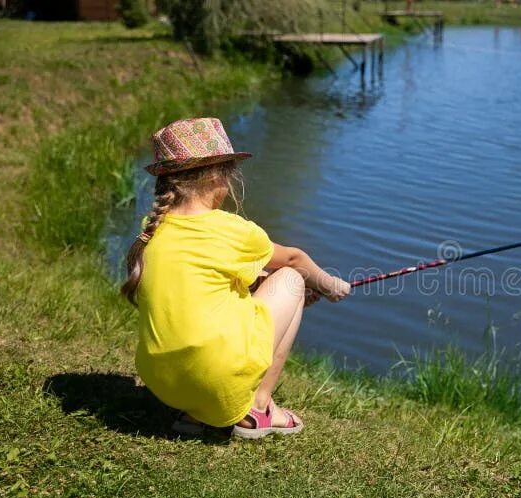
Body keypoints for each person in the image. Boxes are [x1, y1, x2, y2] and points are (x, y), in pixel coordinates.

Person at [121, 117, 350, 439]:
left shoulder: (153, 226)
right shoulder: (234, 230)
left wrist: (263, 283)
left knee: (274, 281)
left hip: (162, 382)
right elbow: (296, 260)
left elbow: (209, 281)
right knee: (292, 279)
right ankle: (258, 407)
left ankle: (194, 415)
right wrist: (329, 285)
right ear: (218, 176)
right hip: (214, 378)